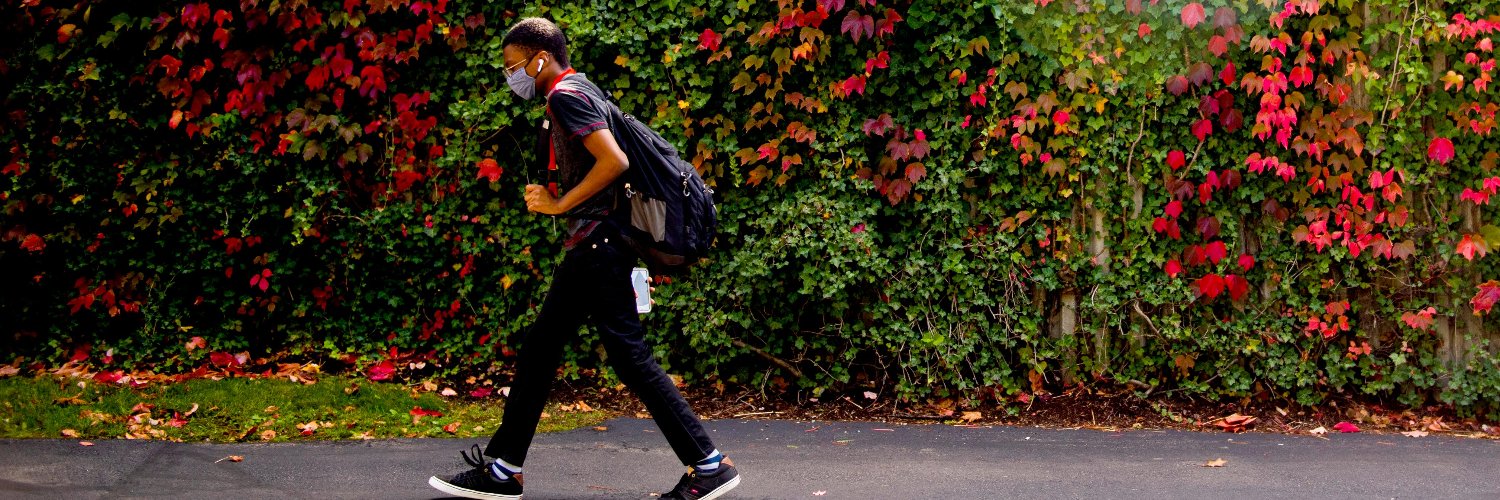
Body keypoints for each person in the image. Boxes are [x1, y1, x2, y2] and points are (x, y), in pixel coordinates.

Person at [427, 17, 741, 500]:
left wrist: (558, 204)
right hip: (598, 244)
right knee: (546, 350)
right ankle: (504, 469)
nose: (511, 76)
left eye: (514, 66)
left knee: (624, 356)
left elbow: (615, 161)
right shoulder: (582, 87)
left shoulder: (565, 95)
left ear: (540, 59)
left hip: (599, 244)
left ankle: (709, 463)